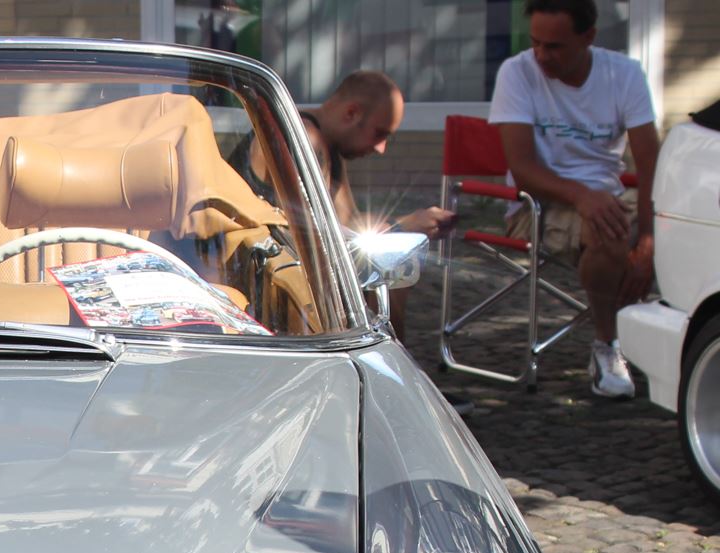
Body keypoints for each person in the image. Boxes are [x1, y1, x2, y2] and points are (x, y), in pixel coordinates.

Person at [489, 0, 660, 398]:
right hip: (537, 203)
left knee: (685, 232)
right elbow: (523, 168)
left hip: (607, 196)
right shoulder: (516, 72)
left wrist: (650, 240)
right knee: (610, 232)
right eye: (535, 43)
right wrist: (583, 196)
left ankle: (680, 345)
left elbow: (651, 163)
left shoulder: (624, 73)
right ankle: (608, 344)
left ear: (589, 37)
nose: (541, 55)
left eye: (555, 46)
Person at [234, 70, 454, 341]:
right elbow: (310, 235)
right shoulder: (305, 138)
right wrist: (401, 226)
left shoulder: (326, 145)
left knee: (386, 271)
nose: (381, 148)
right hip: (259, 287)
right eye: (379, 134)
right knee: (386, 278)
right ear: (351, 113)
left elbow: (347, 225)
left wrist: (407, 223)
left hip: (282, 279)